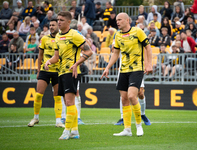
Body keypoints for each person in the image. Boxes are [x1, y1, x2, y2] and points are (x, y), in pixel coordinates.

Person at [101, 12, 152, 137]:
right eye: (116, 20)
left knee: (132, 96)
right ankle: (127, 130)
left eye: (120, 20)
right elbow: (115, 53)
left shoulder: (138, 31)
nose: (117, 22)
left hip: (137, 69)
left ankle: (139, 126)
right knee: (124, 99)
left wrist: (149, 64)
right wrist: (107, 67)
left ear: (127, 20)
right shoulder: (117, 35)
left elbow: (148, 47)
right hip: (123, 70)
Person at [44, 11, 93, 140]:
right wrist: (48, 61)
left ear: (68, 22)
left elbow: (89, 51)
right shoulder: (58, 36)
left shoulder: (75, 35)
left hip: (71, 72)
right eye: (58, 20)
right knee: (67, 102)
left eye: (61, 20)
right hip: (61, 72)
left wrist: (77, 64)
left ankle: (66, 131)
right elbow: (56, 57)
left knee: (70, 101)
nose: (58, 22)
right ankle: (75, 131)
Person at [28, 19, 65, 128]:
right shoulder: (44, 39)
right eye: (50, 25)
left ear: (58, 26)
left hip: (58, 71)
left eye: (54, 25)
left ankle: (58, 121)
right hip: (45, 70)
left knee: (57, 97)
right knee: (38, 94)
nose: (52, 27)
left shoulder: (62, 39)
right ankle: (36, 117)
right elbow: (40, 55)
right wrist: (38, 70)